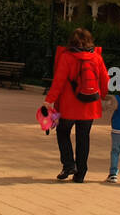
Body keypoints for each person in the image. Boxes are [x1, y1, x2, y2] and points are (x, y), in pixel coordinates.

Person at [44, 28, 108, 182]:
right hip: (89, 105)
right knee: (83, 137)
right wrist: (103, 95)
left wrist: (49, 99)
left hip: (69, 105)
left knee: (63, 132)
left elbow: (58, 81)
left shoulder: (66, 57)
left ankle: (68, 164)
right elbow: (105, 79)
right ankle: (81, 173)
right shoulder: (96, 57)